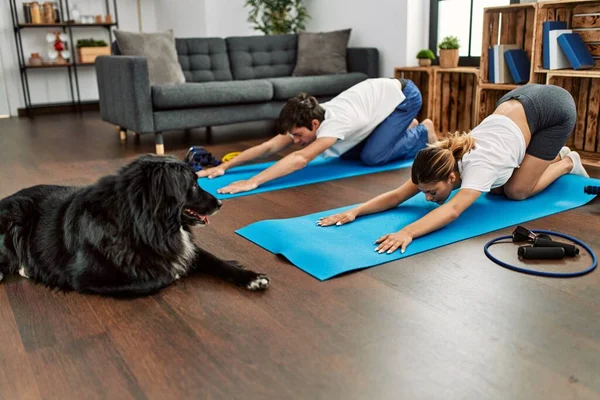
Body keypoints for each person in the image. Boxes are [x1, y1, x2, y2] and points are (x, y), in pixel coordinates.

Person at [317, 84, 590, 254]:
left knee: (515, 190)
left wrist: (407, 232)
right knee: (497, 184)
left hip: (552, 109)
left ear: (451, 176)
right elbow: (397, 195)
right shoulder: (439, 162)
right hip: (516, 100)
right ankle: (539, 160)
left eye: (431, 192)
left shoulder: (479, 165)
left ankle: (566, 161)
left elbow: (453, 210)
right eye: (425, 193)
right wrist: (356, 210)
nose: (427, 198)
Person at [197, 78, 438, 194]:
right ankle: (402, 129)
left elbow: (301, 159)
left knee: (372, 157)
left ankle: (422, 130)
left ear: (314, 124)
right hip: (375, 109)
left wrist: (253, 181)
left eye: (299, 136)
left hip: (404, 98)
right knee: (348, 154)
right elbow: (269, 146)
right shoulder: (310, 115)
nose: (295, 141)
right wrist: (225, 167)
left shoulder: (335, 122)